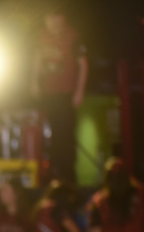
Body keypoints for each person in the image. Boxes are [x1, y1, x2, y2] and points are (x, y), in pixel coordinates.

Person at [31, 6, 88, 182]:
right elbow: (38, 58)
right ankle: (54, 171)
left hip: (67, 92)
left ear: (62, 19)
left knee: (67, 132)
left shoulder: (73, 36)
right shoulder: (42, 36)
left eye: (55, 18)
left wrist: (79, 91)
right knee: (53, 131)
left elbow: (83, 64)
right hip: (50, 92)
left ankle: (68, 173)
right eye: (49, 19)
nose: (52, 23)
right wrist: (34, 81)